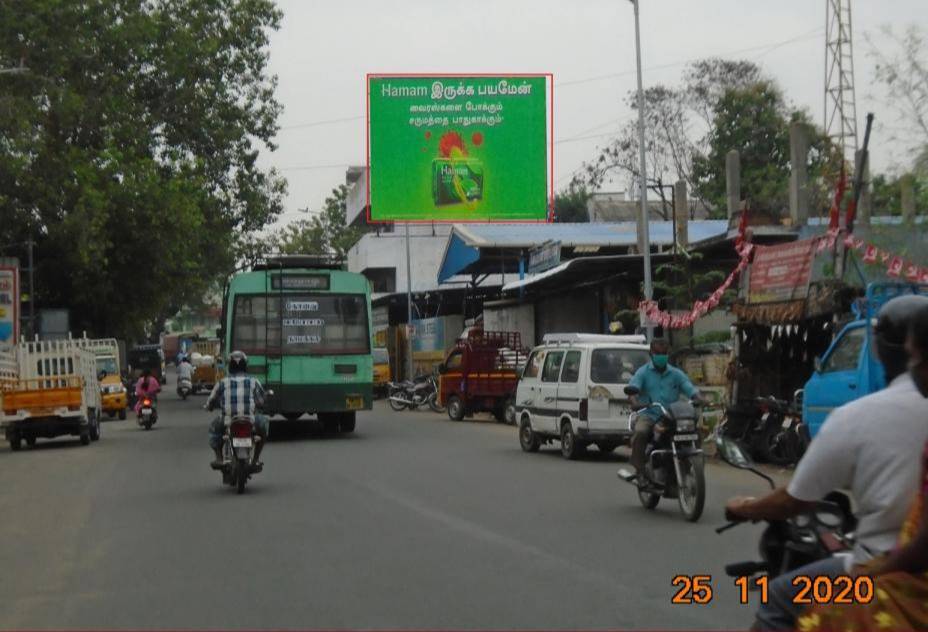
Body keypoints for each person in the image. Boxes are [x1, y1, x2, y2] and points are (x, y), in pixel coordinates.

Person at [725, 294, 928, 630]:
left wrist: (746, 507)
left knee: (777, 598)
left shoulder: (857, 417)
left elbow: (796, 498)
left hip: (889, 569)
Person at [796, 304, 928, 631]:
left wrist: (875, 574)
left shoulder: (854, 416)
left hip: (899, 569)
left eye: (919, 359)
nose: (915, 370)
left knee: (810, 607)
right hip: (905, 562)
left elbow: (797, 496)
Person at [626, 338, 703, 487]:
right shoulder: (643, 372)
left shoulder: (676, 373)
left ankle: (691, 467)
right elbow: (632, 390)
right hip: (649, 414)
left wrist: (700, 398)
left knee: (695, 432)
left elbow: (690, 389)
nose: (661, 356)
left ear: (668, 354)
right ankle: (640, 470)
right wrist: (635, 402)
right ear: (651, 353)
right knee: (641, 432)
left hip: (671, 416)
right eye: (658, 353)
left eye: (664, 353)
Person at [205, 350, 269, 468]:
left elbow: (211, 400)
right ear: (245, 366)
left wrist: (209, 406)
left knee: (213, 430)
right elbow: (261, 401)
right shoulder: (254, 381)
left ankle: (219, 458)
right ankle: (255, 459)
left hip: (228, 419)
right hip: (250, 419)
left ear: (230, 366)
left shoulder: (222, 382)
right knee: (264, 428)